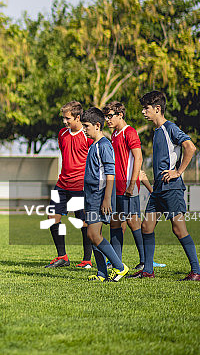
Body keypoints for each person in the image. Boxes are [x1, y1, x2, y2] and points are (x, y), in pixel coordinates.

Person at [130, 91, 200, 281]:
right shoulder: (156, 131)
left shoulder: (170, 128)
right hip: (158, 189)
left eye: (146, 108)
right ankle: (147, 270)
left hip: (172, 188)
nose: (143, 112)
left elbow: (190, 147)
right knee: (147, 226)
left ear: (157, 109)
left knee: (179, 229)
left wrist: (178, 172)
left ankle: (197, 272)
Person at [80, 107, 129, 282]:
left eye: (86, 126)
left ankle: (120, 267)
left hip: (100, 197)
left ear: (97, 126)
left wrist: (107, 198)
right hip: (91, 197)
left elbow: (110, 174)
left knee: (93, 234)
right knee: (92, 235)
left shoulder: (104, 145)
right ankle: (102, 273)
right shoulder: (93, 146)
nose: (84, 129)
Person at [103, 101, 153, 269]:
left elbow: (138, 158)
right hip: (116, 188)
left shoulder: (129, 132)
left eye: (110, 116)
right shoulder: (115, 135)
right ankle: (116, 261)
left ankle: (145, 261)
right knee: (115, 223)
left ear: (120, 115)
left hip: (127, 188)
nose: (107, 120)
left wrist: (132, 185)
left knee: (133, 223)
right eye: (106, 117)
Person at [44, 101, 94, 269]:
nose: (64, 122)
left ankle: (87, 260)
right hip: (62, 184)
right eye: (63, 118)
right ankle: (62, 257)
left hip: (81, 186)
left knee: (83, 222)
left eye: (67, 118)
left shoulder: (88, 136)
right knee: (52, 218)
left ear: (78, 117)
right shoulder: (62, 134)